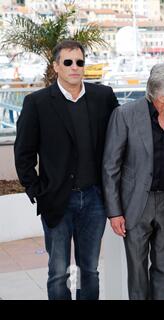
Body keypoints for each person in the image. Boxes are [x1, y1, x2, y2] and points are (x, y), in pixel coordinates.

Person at [14, 40, 119, 300]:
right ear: (56, 66)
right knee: (58, 272)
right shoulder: (36, 103)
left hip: (95, 199)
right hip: (57, 199)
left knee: (89, 271)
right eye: (68, 62)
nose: (75, 67)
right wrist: (38, 191)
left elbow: (118, 142)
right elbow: (23, 153)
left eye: (80, 62)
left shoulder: (103, 97)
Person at [102, 63, 164, 300]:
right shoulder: (125, 115)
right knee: (137, 272)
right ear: (162, 97)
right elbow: (110, 167)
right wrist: (114, 213)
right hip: (135, 204)